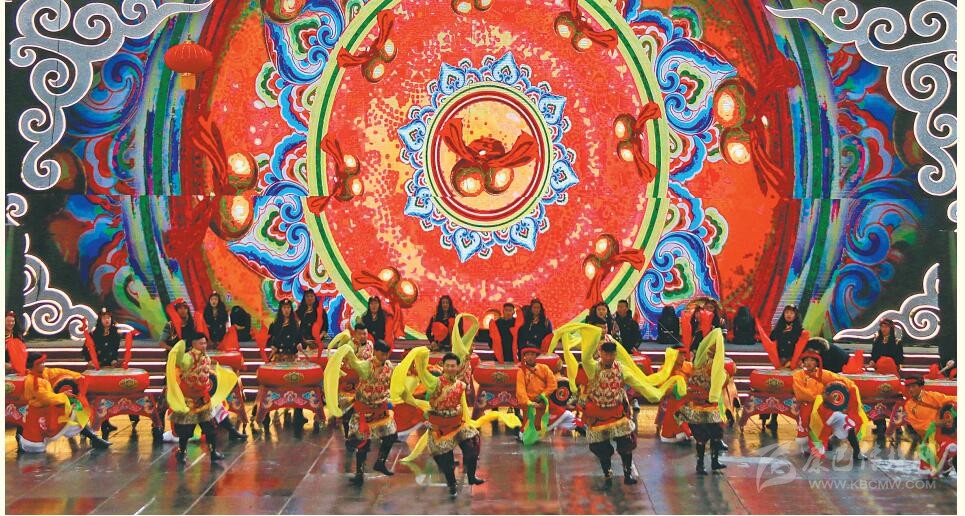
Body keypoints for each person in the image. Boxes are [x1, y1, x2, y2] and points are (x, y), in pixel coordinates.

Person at [324, 339, 398, 484]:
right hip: (364, 410)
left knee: (391, 436)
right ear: (376, 352)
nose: (385, 357)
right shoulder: (366, 366)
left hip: (380, 409)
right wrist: (348, 351)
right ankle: (359, 474)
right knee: (363, 444)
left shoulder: (389, 366)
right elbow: (355, 363)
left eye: (387, 354)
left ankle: (380, 462)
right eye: (382, 354)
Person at [166, 331, 245, 464]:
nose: (204, 345)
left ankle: (213, 452)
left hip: (203, 399)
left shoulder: (206, 357)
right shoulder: (188, 358)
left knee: (210, 428)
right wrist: (177, 349)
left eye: (205, 343)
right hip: (189, 401)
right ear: (193, 344)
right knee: (186, 431)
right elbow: (180, 362)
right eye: (201, 343)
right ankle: (182, 452)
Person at [418, 351, 485, 495]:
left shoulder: (460, 384)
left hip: (457, 423)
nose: (450, 368)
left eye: (453, 366)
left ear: (457, 367)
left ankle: (471, 476)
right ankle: (452, 485)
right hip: (440, 426)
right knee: (446, 461)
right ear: (443, 366)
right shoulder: (435, 383)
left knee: (472, 449)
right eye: (447, 365)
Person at [18, 352, 112, 452]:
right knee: (73, 410)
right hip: (41, 412)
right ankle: (94, 438)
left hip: (49, 407)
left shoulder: (43, 373)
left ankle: (94, 438)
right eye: (41, 363)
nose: (43, 365)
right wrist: (64, 396)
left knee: (76, 410)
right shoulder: (32, 381)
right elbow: (45, 398)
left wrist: (77, 376)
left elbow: (58, 372)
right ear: (34, 365)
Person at [792, 350, 866, 460]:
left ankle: (857, 451)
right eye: (806, 360)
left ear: (817, 362)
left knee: (848, 423)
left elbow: (843, 380)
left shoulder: (823, 374)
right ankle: (818, 445)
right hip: (809, 409)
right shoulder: (798, 375)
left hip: (825, 409)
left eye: (812, 360)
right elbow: (801, 393)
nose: (808, 362)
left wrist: (850, 388)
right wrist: (822, 397)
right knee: (811, 427)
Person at [676, 330, 727, 474]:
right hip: (700, 406)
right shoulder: (704, 366)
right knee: (703, 436)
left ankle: (712, 462)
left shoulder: (713, 367)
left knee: (714, 434)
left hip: (709, 406)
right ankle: (702, 464)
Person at [155, 298, 197, 440]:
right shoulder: (170, 325)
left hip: (189, 364)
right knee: (168, 393)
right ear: (176, 310)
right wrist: (174, 351)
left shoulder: (192, 323)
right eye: (180, 308)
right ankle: (158, 425)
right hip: (173, 364)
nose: (183, 311)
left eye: (185, 308)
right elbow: (161, 342)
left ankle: (191, 427)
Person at [516, 345, 559, 443]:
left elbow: (553, 384)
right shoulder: (521, 371)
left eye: (532, 354)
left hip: (543, 401)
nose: (530, 357)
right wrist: (529, 402)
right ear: (524, 357)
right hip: (529, 403)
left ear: (536, 356)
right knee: (528, 422)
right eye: (528, 355)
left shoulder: (544, 368)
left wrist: (543, 395)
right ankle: (525, 436)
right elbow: (520, 390)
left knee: (555, 417)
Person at [902, 376, 956, 447]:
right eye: (909, 387)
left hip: (945, 433)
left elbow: (952, 399)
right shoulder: (908, 405)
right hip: (928, 439)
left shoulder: (932, 396)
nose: (910, 389)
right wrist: (936, 424)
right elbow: (916, 425)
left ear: (921, 387)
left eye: (913, 386)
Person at [658, 347, 693, 443]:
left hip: (687, 397)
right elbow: (662, 388)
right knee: (675, 403)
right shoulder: (664, 369)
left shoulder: (689, 366)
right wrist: (676, 389)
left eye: (684, 355)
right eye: (680, 355)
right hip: (671, 397)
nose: (683, 358)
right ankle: (679, 431)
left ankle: (685, 430)